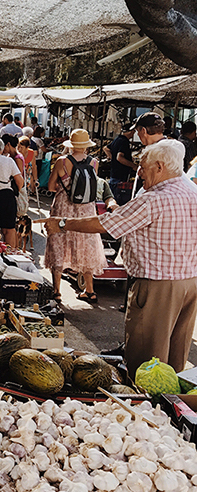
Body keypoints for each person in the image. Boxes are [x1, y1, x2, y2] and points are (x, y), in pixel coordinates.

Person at [36, 139, 197, 374]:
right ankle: (169, 405)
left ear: (160, 167)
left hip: (158, 285)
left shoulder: (154, 198)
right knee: (174, 357)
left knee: (146, 359)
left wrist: (61, 223)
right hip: (189, 282)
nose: (139, 172)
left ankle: (145, 406)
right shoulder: (191, 191)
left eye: (144, 166)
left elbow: (107, 224)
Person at [43, 129, 107, 304]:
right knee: (85, 246)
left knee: (58, 244)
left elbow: (50, 186)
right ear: (86, 146)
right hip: (86, 210)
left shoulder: (61, 162)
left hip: (63, 207)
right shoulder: (94, 163)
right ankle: (90, 290)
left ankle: (57, 291)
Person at [104, 122, 136, 204]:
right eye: (133, 131)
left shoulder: (117, 139)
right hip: (120, 174)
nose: (134, 133)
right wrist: (133, 166)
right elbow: (120, 157)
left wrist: (112, 158)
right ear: (130, 131)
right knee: (118, 199)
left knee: (112, 197)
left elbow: (106, 148)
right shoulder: (124, 142)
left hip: (114, 173)